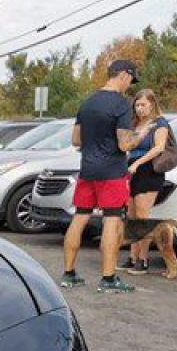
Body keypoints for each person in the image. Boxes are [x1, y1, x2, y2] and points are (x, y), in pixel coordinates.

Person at [60, 59, 142, 293]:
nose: (130, 85)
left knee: (80, 218)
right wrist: (140, 135)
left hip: (88, 169)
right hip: (112, 172)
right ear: (124, 75)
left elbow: (76, 139)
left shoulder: (87, 102)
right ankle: (108, 278)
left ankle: (68, 274)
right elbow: (125, 144)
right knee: (112, 220)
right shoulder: (122, 104)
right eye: (131, 80)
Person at [124, 89, 173, 274]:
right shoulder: (135, 124)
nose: (139, 108)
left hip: (149, 169)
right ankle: (132, 256)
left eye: (143, 104)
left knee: (143, 215)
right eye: (137, 105)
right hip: (131, 169)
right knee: (131, 215)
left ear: (152, 104)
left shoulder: (160, 123)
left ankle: (143, 260)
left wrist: (138, 162)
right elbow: (127, 144)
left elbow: (159, 148)